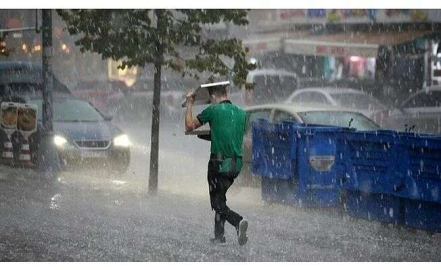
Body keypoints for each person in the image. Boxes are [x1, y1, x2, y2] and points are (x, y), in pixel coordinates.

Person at [185, 84, 249, 246]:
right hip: (236, 165)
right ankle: (219, 235)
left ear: (213, 97)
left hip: (218, 163)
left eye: (210, 99)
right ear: (225, 94)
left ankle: (237, 221)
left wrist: (190, 104)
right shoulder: (242, 114)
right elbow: (231, 135)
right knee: (220, 197)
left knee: (216, 203)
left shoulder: (213, 110)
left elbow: (189, 126)